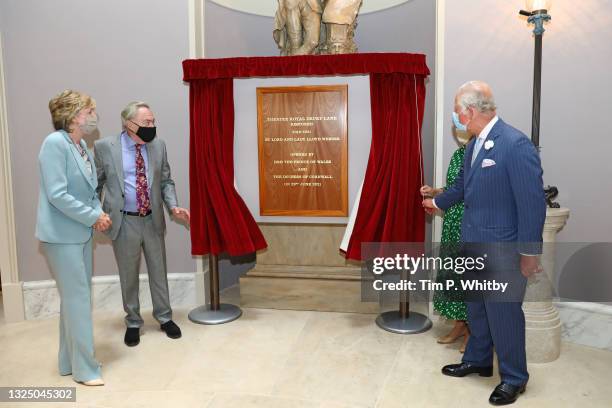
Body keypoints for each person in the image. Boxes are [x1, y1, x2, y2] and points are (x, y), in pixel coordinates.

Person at [422, 81, 546, 406]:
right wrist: (438, 204)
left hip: (503, 251)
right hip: (473, 244)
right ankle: (478, 360)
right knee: (477, 309)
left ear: (471, 111)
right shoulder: (474, 145)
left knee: (503, 315)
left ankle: (515, 377)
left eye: (457, 112)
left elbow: (532, 204)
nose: (456, 117)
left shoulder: (515, 144)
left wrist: (530, 252)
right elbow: (462, 186)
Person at [94, 101, 190, 347]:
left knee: (159, 270)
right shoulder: (105, 147)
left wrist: (173, 206)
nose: (152, 126)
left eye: (153, 121)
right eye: (147, 122)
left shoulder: (158, 145)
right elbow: (96, 184)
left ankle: (165, 317)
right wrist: (95, 213)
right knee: (128, 274)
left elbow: (166, 181)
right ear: (129, 124)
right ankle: (134, 322)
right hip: (124, 220)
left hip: (152, 218)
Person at [36, 90, 111, 386]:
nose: (93, 115)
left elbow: (89, 190)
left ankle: (69, 362)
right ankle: (85, 369)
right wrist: (93, 216)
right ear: (73, 115)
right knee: (78, 299)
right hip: (61, 237)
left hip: (78, 233)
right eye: (89, 110)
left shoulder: (80, 146)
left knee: (74, 300)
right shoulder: (55, 144)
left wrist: (98, 212)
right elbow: (57, 194)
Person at [420, 133, 471, 353]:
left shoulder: (478, 154)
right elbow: (454, 188)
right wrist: (435, 192)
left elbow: (468, 191)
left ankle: (472, 332)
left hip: (468, 222)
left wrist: (435, 200)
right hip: (452, 221)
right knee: (451, 274)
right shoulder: (458, 153)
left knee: (464, 276)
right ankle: (458, 326)